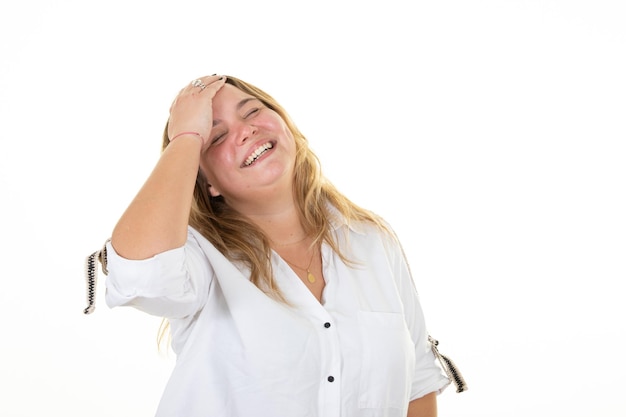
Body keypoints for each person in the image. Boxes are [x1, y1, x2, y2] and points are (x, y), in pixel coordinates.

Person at [84, 74, 465, 417]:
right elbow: (140, 274)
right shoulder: (198, 259)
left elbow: (418, 384)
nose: (246, 131)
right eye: (215, 136)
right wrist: (185, 136)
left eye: (252, 111)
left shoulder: (372, 240)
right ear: (208, 183)